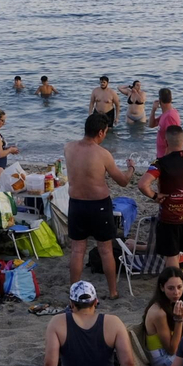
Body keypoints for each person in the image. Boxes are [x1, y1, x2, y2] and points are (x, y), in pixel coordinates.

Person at [64, 112, 135, 298]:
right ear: (101, 132)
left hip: (76, 204)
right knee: (105, 250)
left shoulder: (69, 148)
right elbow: (123, 181)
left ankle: (74, 292)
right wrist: (131, 169)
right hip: (99, 205)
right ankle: (112, 292)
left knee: (77, 250)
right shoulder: (103, 154)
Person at [138, 125, 183, 297]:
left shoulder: (160, 164)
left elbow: (143, 184)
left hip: (170, 218)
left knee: (172, 257)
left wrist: (155, 196)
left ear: (165, 142)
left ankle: (176, 294)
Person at [44, 281, 136, 366]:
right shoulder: (113, 322)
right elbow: (128, 362)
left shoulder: (57, 322)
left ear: (71, 303)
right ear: (96, 301)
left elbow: (49, 364)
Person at [142, 268, 183, 366]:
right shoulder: (159, 313)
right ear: (162, 288)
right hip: (164, 360)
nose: (176, 292)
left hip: (175, 350)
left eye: (179, 287)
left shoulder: (172, 301)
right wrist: (179, 320)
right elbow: (171, 350)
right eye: (171, 288)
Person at [149, 87, 180, 158]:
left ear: (159, 100)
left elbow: (172, 140)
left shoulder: (169, 116)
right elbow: (151, 125)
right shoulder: (166, 114)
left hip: (166, 157)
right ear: (171, 99)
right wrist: (153, 110)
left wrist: (165, 159)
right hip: (162, 156)